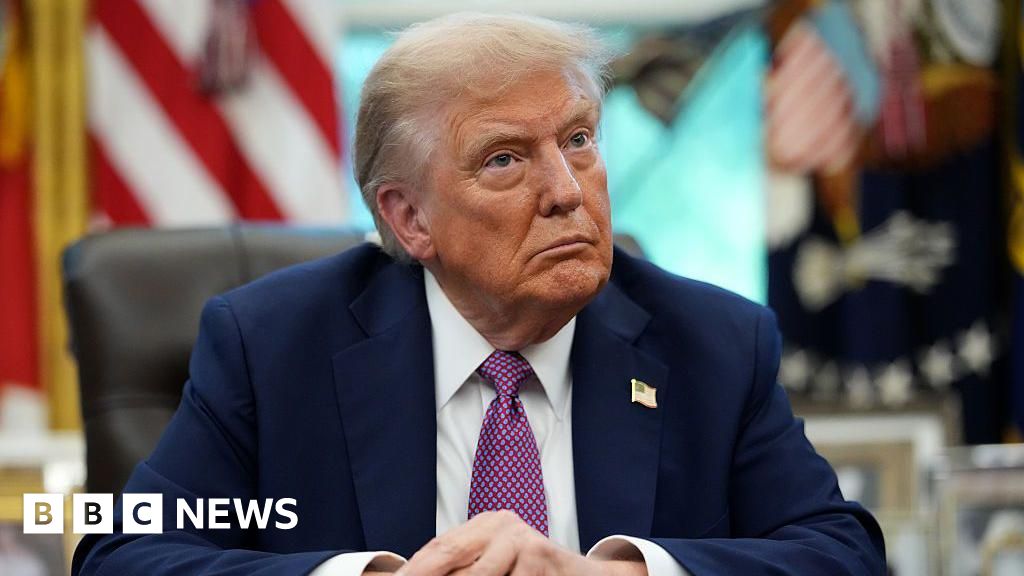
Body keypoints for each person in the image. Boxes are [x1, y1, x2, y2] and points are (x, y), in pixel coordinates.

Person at [73, 12, 886, 576]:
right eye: (504, 159)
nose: (567, 191)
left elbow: (841, 554)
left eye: (578, 140)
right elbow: (122, 554)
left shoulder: (713, 343)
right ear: (409, 218)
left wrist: (616, 573)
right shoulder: (272, 345)